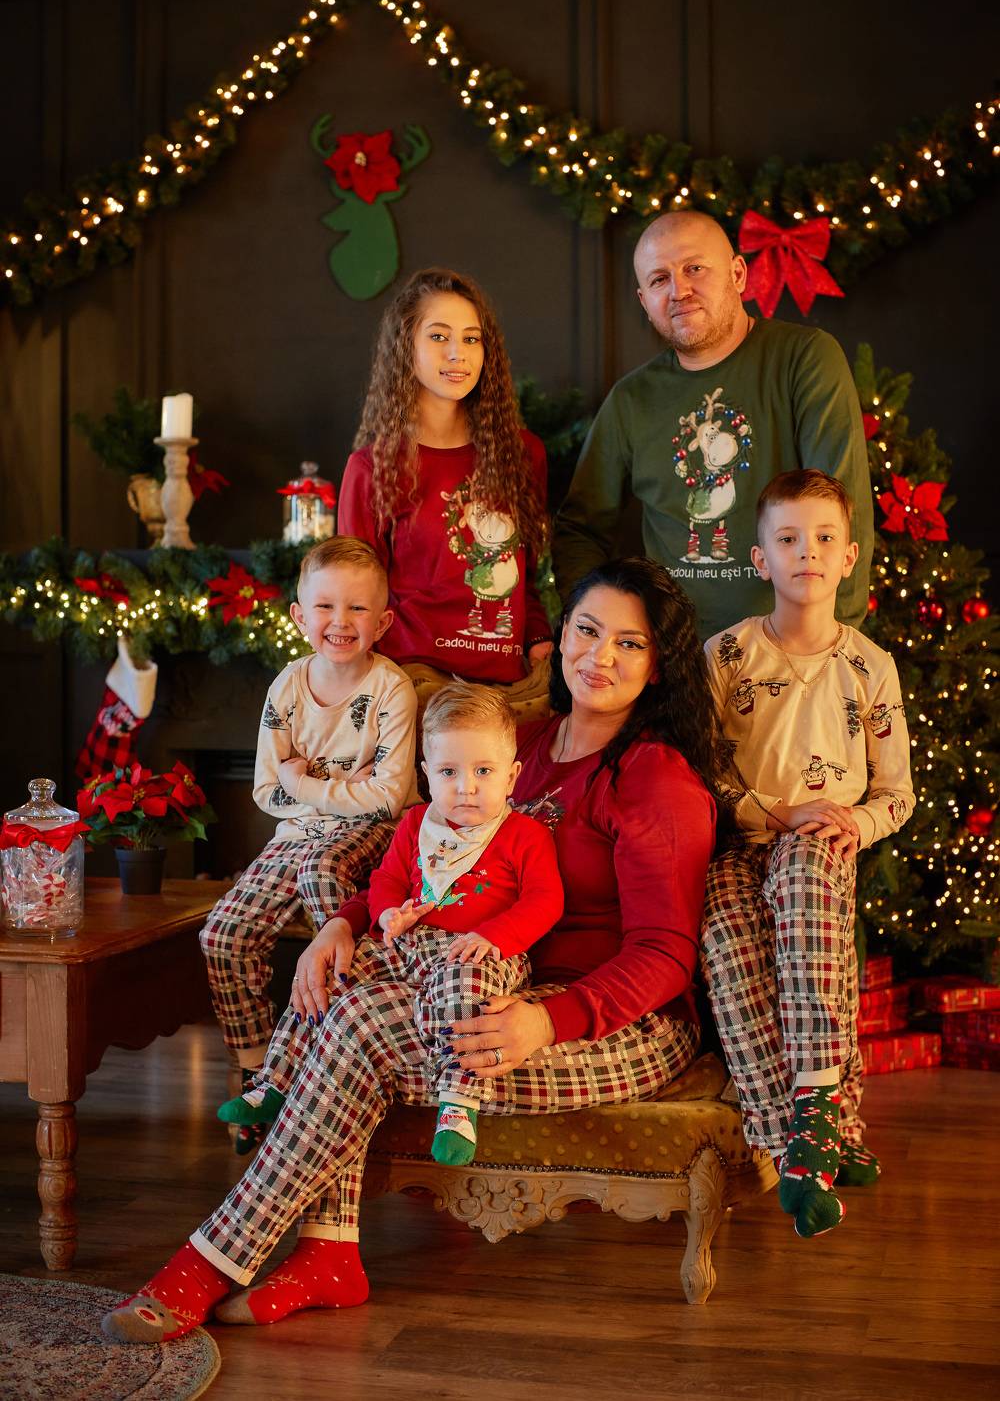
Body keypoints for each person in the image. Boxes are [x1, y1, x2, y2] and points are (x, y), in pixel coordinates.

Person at [102, 557, 727, 1344]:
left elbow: (665, 955)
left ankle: (211, 1262)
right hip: (481, 980)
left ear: (658, 663)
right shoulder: (518, 746)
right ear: (560, 634)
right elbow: (428, 864)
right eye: (587, 629)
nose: (599, 656)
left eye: (628, 643)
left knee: (359, 1025)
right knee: (342, 996)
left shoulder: (655, 780)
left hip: (613, 1022)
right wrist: (343, 924)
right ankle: (327, 1254)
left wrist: (547, 1021)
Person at [217, 681, 564, 1168]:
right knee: (331, 975)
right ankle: (276, 1080)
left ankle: (458, 1103)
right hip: (407, 942)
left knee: (468, 990)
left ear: (511, 777)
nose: (465, 787)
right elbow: (387, 880)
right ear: (427, 774)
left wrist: (495, 936)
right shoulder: (417, 824)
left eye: (483, 771)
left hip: (477, 953)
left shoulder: (524, 835)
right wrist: (385, 914)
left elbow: (546, 901)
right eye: (448, 771)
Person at [700, 469, 914, 1239]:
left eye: (825, 538)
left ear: (849, 556)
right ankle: (802, 1141)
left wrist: (855, 823)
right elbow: (701, 770)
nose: (808, 552)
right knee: (728, 951)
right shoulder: (726, 655)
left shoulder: (869, 667)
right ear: (761, 559)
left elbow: (897, 793)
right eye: (788, 539)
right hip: (737, 841)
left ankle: (817, 1112)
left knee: (807, 890)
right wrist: (771, 811)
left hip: (819, 845)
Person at [553, 210, 874, 639]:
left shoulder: (804, 358)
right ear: (644, 301)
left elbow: (845, 511)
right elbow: (580, 528)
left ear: (738, 274)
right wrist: (594, 631)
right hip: (675, 657)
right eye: (659, 279)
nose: (679, 291)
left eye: (694, 268)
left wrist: (832, 645)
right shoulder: (632, 400)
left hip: (787, 651)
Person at [199, 536, 418, 1152]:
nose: (339, 621)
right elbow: (267, 791)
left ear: (383, 622)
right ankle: (256, 1071)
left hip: (369, 834)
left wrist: (306, 781)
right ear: (299, 616)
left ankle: (328, 1050)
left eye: (356, 608)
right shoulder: (287, 689)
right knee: (222, 933)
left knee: (322, 874)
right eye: (324, 606)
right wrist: (337, 788)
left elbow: (388, 800)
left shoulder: (391, 690)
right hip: (295, 834)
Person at [337, 267, 555, 688]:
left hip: (503, 688)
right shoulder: (372, 468)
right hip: (409, 684)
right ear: (406, 346)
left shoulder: (522, 454)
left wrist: (537, 637)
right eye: (438, 336)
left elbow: (524, 575)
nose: (458, 353)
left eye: (471, 339)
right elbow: (354, 597)